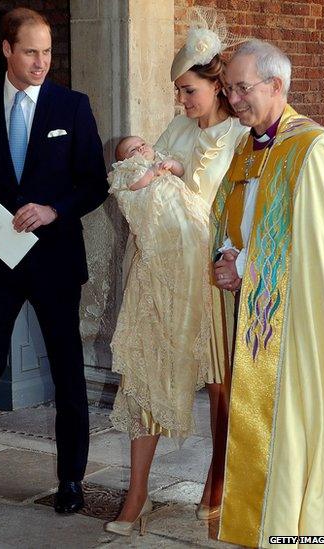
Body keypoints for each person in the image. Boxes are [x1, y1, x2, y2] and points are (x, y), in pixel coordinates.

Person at [0, 7, 108, 522]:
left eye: (47, 51)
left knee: (69, 372)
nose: (41, 62)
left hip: (54, 261)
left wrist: (55, 210)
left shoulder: (72, 107)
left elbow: (93, 182)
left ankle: (71, 480)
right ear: (6, 50)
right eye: (30, 51)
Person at [104, 8, 248, 537]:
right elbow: (148, 175)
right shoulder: (178, 127)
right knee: (145, 375)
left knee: (221, 387)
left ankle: (218, 482)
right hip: (167, 272)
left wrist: (168, 172)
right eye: (178, 93)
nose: (182, 102)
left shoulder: (239, 133)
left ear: (215, 85)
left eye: (189, 91)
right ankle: (136, 493)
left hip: (213, 275)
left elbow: (216, 198)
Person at [211, 39, 324, 547]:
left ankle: (301, 535)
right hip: (256, 312)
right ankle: (265, 528)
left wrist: (246, 266)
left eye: (243, 88)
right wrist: (225, 256)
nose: (234, 99)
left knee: (293, 428)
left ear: (277, 85)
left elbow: (322, 248)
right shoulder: (247, 144)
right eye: (229, 89)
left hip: (298, 323)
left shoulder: (315, 149)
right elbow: (234, 213)